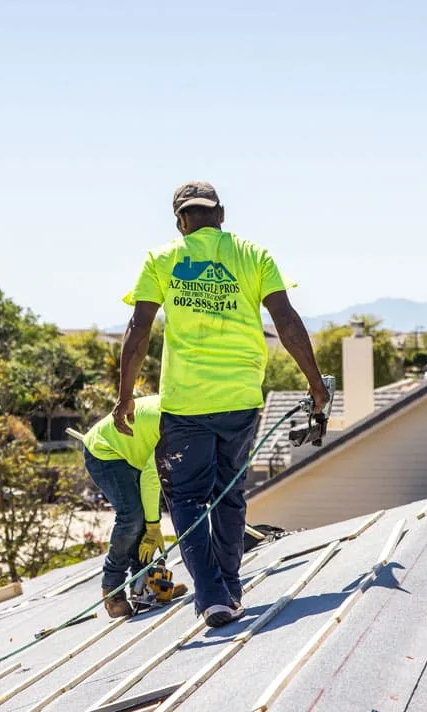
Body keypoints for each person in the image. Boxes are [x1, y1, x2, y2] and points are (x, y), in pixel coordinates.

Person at [113, 181, 328, 628]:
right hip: (241, 400)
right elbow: (286, 320)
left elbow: (138, 330)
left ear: (180, 221)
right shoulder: (254, 255)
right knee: (229, 495)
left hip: (186, 403)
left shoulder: (162, 259)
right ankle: (229, 590)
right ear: (222, 214)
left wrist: (124, 397)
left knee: (188, 497)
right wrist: (315, 384)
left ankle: (212, 595)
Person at [82, 394, 186, 617]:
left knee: (147, 514)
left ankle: (146, 585)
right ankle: (112, 590)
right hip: (105, 451)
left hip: (134, 452)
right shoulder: (172, 425)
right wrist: (153, 526)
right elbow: (151, 477)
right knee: (133, 516)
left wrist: (152, 523)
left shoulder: (189, 418)